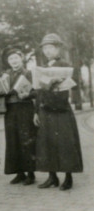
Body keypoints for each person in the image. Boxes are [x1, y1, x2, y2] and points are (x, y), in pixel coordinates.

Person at [34, 33, 83, 191]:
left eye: (51, 48)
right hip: (46, 110)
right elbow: (39, 92)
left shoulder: (65, 65)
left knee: (65, 143)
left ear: (57, 49)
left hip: (61, 110)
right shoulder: (43, 68)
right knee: (47, 144)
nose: (47, 51)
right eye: (45, 48)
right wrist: (36, 111)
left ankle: (68, 177)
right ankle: (52, 176)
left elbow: (74, 86)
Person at [0, 46, 36, 185]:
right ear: (8, 62)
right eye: (10, 59)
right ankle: (19, 173)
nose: (13, 61)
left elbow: (36, 91)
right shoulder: (6, 74)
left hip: (25, 109)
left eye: (16, 58)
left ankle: (30, 174)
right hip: (10, 110)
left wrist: (27, 94)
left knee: (26, 140)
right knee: (13, 140)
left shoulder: (28, 73)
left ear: (21, 59)